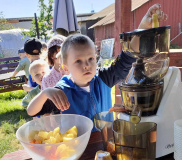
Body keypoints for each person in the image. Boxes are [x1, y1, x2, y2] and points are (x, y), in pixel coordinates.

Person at [27, 4, 167, 130]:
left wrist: (144, 25)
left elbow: (128, 56)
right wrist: (45, 93)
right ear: (65, 67)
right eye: (78, 61)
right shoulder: (61, 91)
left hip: (106, 143)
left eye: (91, 59)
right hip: (77, 148)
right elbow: (31, 111)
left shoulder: (104, 78)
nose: (87, 65)